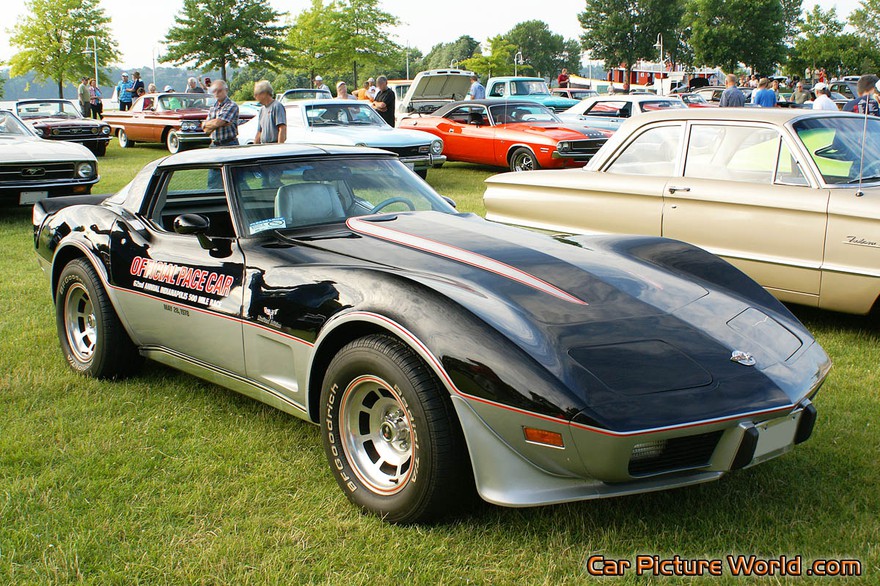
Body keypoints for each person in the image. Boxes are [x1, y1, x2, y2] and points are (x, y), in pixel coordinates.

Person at [203, 79, 240, 147]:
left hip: (229, 143)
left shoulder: (231, 105)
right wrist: (206, 124)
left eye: (219, 90)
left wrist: (210, 123)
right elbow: (206, 130)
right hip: (214, 144)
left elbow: (219, 122)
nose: (217, 93)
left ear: (226, 90)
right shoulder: (213, 108)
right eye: (214, 91)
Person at [253, 80, 287, 144]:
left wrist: (280, 147)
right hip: (264, 146)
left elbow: (282, 128)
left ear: (263, 94)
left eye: (256, 95)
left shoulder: (277, 106)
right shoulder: (261, 110)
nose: (255, 97)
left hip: (274, 145)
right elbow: (259, 132)